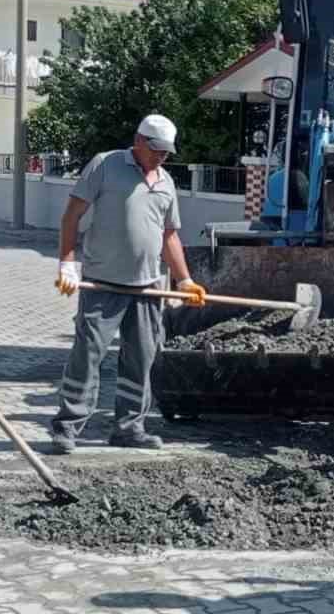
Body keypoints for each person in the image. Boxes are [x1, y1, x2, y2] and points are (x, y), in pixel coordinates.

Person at [50, 115, 206, 452]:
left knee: (142, 358)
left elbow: (169, 235)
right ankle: (67, 427)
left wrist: (184, 279)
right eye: (156, 149)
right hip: (103, 284)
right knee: (88, 354)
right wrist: (67, 262)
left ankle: (129, 428)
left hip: (147, 287)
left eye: (166, 152)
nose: (161, 156)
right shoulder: (105, 165)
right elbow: (72, 215)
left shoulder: (166, 182)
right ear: (138, 141)